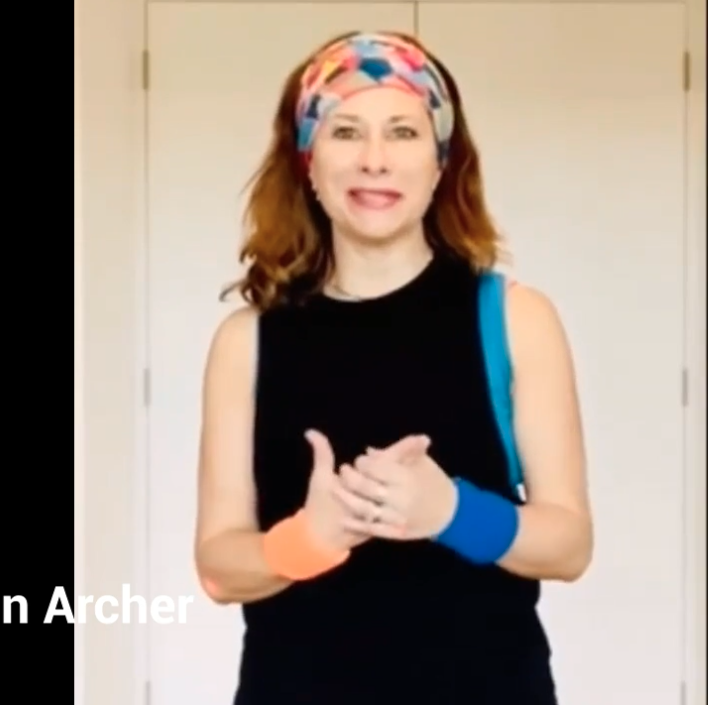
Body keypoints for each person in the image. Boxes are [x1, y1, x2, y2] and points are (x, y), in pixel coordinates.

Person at [194, 30, 592, 705]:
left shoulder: (514, 319)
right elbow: (218, 564)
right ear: (308, 160)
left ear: (440, 162)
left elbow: (569, 545)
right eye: (345, 131)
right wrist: (305, 541)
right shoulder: (247, 341)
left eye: (403, 132)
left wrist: (452, 511)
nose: (374, 160)